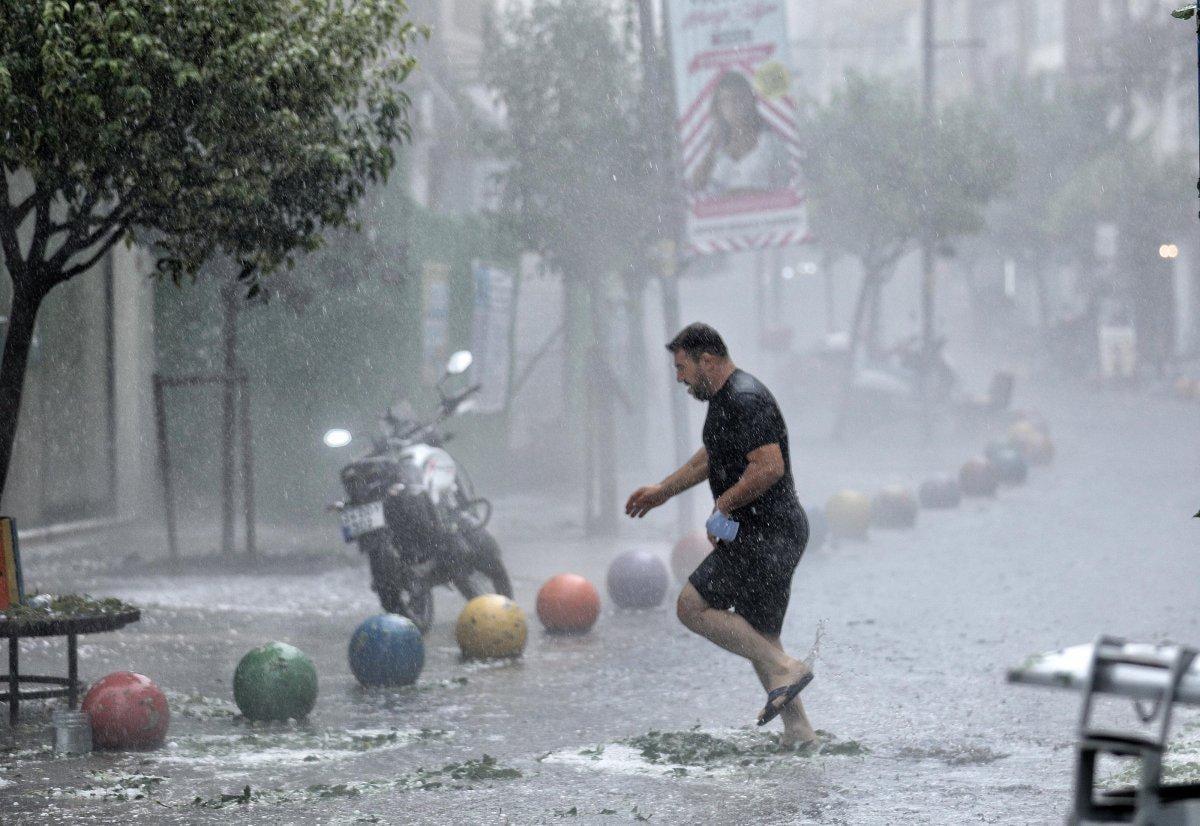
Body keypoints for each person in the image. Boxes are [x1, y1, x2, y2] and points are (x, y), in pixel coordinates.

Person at [625, 323, 815, 747]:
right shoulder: (725, 401)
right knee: (756, 631)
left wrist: (723, 504)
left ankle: (787, 667)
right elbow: (708, 460)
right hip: (768, 532)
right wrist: (662, 491)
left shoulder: (746, 399)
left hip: (767, 534)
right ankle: (800, 732)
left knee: (691, 606)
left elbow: (768, 467)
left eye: (682, 368)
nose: (679, 378)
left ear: (705, 360)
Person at [690, 72, 792, 197]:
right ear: (718, 108)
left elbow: (785, 188)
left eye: (740, 98)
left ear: (752, 101)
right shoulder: (712, 147)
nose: (734, 106)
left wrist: (744, 194)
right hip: (720, 216)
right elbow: (696, 186)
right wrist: (712, 148)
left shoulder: (771, 143)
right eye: (726, 100)